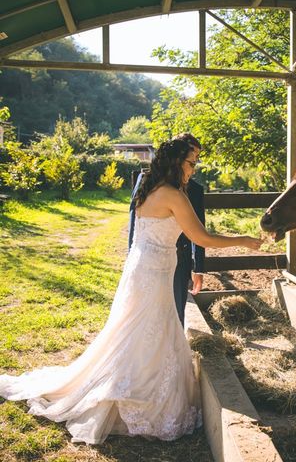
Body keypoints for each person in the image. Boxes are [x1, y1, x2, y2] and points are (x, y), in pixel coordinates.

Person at [0, 136, 262, 444]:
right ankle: (133, 396)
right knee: (148, 333)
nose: (194, 168)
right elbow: (201, 238)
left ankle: (133, 387)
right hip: (153, 273)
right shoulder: (174, 195)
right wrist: (242, 240)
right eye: (192, 162)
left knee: (138, 333)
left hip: (145, 269)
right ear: (178, 162)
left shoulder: (148, 187)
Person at [129, 133, 205, 326]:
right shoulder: (146, 181)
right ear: (177, 157)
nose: (193, 166)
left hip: (180, 261)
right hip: (149, 260)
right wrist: (131, 253)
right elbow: (135, 222)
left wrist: (199, 268)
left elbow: (199, 230)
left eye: (196, 158)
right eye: (191, 158)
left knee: (175, 315)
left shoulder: (195, 189)